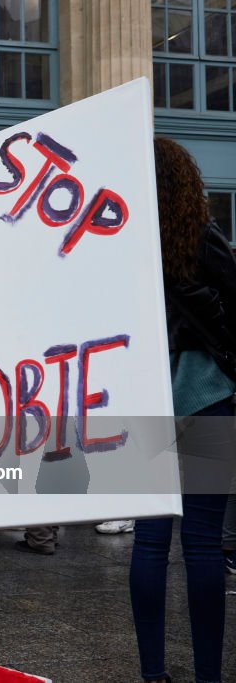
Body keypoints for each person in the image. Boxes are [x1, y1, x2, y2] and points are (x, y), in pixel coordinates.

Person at [128, 137, 236, 683]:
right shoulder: (201, 237)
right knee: (202, 546)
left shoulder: (118, 241)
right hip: (208, 397)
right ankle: (209, 677)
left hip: (145, 399)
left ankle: (152, 674)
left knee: (149, 543)